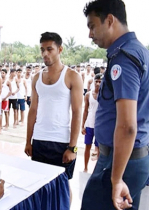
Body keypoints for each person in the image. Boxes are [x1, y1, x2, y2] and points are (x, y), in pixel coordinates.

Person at [82, 1, 149, 209]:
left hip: (119, 162)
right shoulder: (139, 51)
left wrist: (116, 178)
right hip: (133, 157)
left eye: (92, 26)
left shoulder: (124, 58)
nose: (90, 35)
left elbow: (127, 126)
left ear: (110, 20)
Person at [24, 32, 83, 203]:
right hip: (40, 140)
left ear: (60, 50)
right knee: (40, 184)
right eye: (42, 49)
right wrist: (29, 140)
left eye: (49, 49)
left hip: (62, 142)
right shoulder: (37, 78)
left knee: (62, 185)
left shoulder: (72, 76)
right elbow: (32, 110)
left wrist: (73, 148)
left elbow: (78, 112)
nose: (45, 54)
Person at [81, 74, 103, 173]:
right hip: (89, 124)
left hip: (100, 125)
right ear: (93, 81)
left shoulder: (105, 95)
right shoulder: (88, 95)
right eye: (96, 81)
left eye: (100, 81)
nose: (98, 83)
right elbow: (85, 110)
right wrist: (82, 125)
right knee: (87, 147)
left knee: (99, 149)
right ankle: (85, 167)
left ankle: (96, 170)